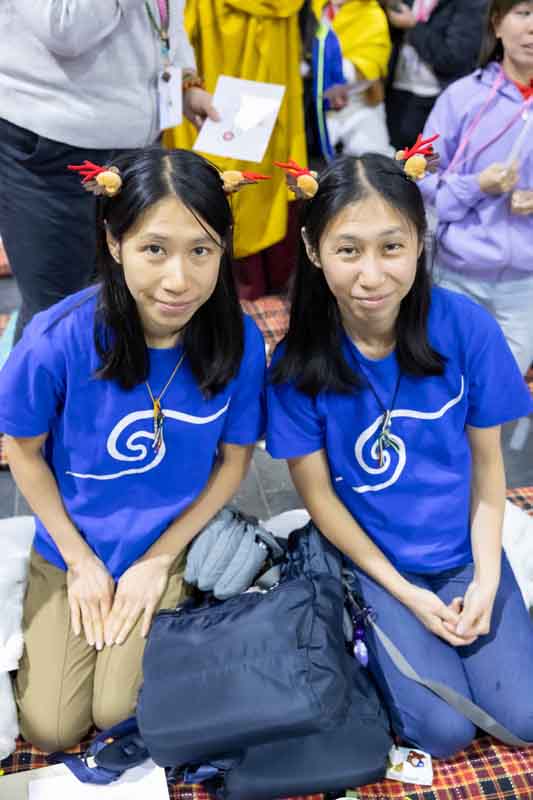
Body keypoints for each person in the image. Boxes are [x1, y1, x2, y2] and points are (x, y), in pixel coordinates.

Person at [266, 153, 533, 758]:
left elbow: (488, 470)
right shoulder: (297, 365)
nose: (372, 275)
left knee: (524, 715)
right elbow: (320, 501)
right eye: (348, 250)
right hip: (375, 564)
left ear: (418, 242)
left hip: (463, 551)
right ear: (313, 249)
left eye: (391, 247)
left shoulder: (467, 329)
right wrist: (405, 593)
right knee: (443, 732)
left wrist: (487, 578)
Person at [0, 147, 266, 752]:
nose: (179, 280)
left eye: (201, 251)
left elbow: (235, 462)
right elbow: (23, 451)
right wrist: (78, 560)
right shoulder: (56, 339)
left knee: (118, 708)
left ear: (224, 248)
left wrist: (159, 559)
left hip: (171, 536)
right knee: (52, 727)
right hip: (75, 541)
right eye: (155, 249)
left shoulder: (239, 339)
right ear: (114, 242)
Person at [0, 0, 217, 340]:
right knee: (58, 318)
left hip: (137, 143)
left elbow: (164, 11)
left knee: (127, 299)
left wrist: (184, 79)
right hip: (52, 145)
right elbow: (65, 29)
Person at [164, 0, 307, 299]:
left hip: (205, 88)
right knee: (265, 169)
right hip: (267, 89)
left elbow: (173, 36)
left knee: (206, 175)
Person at [420, 0, 533, 375]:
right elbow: (421, 175)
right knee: (451, 381)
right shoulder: (461, 98)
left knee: (505, 388)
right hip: (458, 276)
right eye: (524, 13)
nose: (532, 27)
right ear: (497, 24)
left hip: (525, 286)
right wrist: (476, 186)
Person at [384, 0, 486, 150]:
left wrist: (413, 26)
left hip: (435, 98)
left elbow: (453, 59)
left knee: (424, 160)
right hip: (395, 92)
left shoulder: (470, 4)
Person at [307, 0, 393, 159]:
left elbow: (369, 67)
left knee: (376, 162)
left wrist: (319, 69)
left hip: (359, 105)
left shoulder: (372, 15)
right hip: (314, 108)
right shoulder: (312, 7)